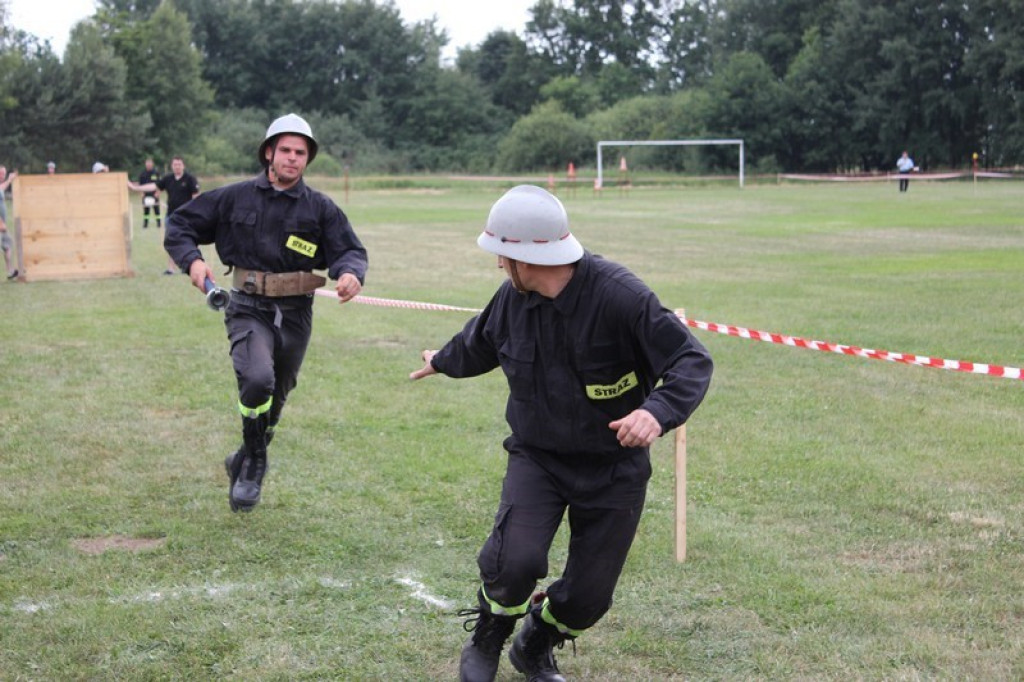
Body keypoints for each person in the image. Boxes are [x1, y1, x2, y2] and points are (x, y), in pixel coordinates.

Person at [409, 185, 713, 682]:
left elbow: (691, 359)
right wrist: (441, 361)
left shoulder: (622, 297)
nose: (499, 267)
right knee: (514, 562)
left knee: (589, 598)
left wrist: (656, 412)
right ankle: (488, 636)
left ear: (527, 258)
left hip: (614, 466)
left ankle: (536, 642)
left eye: (503, 256)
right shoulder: (512, 300)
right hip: (539, 458)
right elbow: (480, 343)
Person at [164, 113, 367, 513]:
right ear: (269, 152)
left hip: (296, 313)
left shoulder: (320, 209)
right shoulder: (234, 198)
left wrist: (349, 274)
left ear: (307, 159)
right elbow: (179, 225)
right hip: (246, 307)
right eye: (286, 150)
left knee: (277, 396)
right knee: (257, 380)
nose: (292, 158)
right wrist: (193, 262)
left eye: (301, 152)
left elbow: (349, 251)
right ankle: (255, 464)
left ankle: (241, 456)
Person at [129, 156, 200, 274]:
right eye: (175, 164)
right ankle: (171, 269)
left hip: (188, 217)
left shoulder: (190, 179)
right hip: (171, 216)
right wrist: (135, 188)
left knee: (192, 241)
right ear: (172, 166)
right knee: (171, 242)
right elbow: (153, 186)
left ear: (183, 166)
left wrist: (196, 213)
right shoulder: (168, 179)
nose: (177, 166)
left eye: (179, 164)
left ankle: (192, 266)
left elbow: (196, 196)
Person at [0, 165, 18, 279]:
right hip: (0, 224)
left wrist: (10, 180)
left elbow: (2, 188)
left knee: (8, 245)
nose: (2, 176)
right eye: (1, 174)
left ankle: (10, 271)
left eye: (4, 174)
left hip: (2, 225)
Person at [137, 158, 162, 229]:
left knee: (156, 210)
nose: (148, 165)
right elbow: (140, 185)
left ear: (152, 164)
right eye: (147, 163)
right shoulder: (142, 174)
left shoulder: (156, 173)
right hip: (145, 194)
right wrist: (141, 193)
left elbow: (160, 184)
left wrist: (158, 192)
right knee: (146, 211)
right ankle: (145, 224)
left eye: (150, 163)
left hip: (154, 194)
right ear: (145, 164)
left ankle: (159, 223)